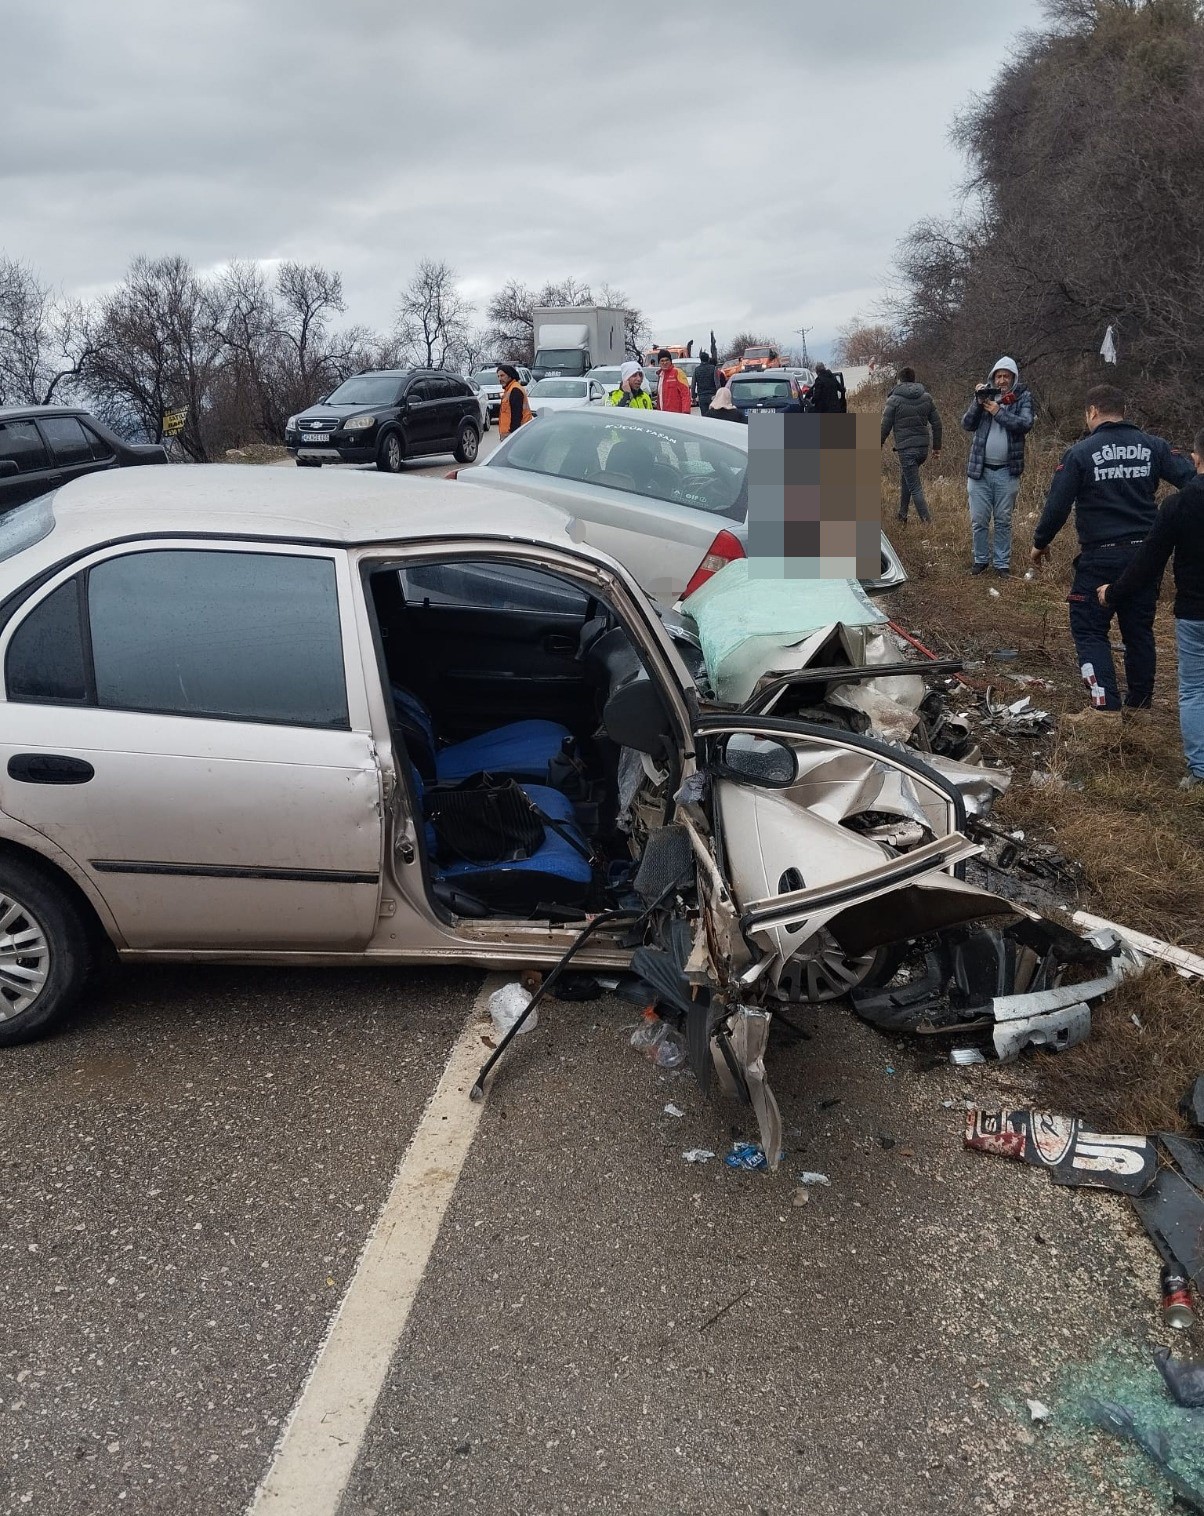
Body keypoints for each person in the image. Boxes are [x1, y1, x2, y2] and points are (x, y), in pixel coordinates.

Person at [1031, 383, 1194, 719]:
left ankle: (1104, 707)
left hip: (1099, 557)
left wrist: (1040, 542)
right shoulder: (1154, 447)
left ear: (1092, 412)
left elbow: (1057, 505)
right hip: (1146, 556)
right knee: (1139, 630)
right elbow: (1193, 480)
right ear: (1124, 412)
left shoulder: (1080, 453)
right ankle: (1139, 707)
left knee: (1089, 627)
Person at [1097, 427, 1204, 785]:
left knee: (1193, 689)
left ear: (1196, 458)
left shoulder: (1178, 505)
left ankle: (1200, 771)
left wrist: (1114, 592)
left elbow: (1149, 561)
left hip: (1194, 613)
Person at [961, 357, 1035, 575]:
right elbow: (967, 424)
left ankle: (1002, 563)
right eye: (998, 376)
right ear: (992, 378)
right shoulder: (985, 397)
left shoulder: (1023, 398)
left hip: (1006, 471)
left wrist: (998, 412)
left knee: (1003, 520)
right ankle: (980, 559)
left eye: (1006, 376)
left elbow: (1024, 424)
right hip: (980, 471)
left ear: (1013, 378)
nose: (1002, 380)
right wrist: (978, 402)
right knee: (979, 519)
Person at [880, 366, 942, 524]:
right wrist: (936, 447)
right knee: (906, 477)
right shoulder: (926, 397)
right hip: (923, 449)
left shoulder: (893, 400)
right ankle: (902, 515)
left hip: (907, 449)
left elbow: (884, 427)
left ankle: (927, 523)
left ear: (899, 381)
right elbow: (937, 424)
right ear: (913, 380)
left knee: (915, 486)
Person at [496, 364, 532, 438]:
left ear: (510, 375)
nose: (500, 378)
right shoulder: (509, 389)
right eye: (498, 376)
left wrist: (513, 436)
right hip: (512, 434)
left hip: (516, 435)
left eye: (502, 375)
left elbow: (516, 416)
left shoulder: (515, 390)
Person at [655, 349, 692, 414]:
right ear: (659, 363)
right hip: (663, 414)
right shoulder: (660, 376)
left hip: (677, 415)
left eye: (667, 360)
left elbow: (685, 394)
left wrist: (686, 412)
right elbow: (659, 397)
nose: (665, 363)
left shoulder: (677, 372)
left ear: (671, 361)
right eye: (662, 361)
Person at [692, 350, 720, 417]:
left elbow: (693, 385)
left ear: (700, 359)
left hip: (702, 396)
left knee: (704, 417)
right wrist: (719, 394)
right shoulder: (713, 368)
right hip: (712, 396)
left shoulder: (697, 370)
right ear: (708, 359)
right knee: (714, 415)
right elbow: (717, 383)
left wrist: (693, 397)